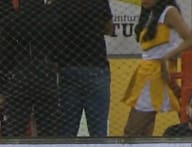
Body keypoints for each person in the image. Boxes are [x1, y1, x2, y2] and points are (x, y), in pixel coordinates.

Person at [121, 0, 192, 136]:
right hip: (145, 73)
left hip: (158, 74)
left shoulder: (169, 12)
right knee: (144, 130)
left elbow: (189, 39)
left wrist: (167, 57)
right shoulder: (150, 14)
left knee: (132, 130)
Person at [0, 0, 61, 137]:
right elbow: (58, 51)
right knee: (48, 131)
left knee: (15, 129)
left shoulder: (10, 20)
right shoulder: (52, 19)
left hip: (20, 76)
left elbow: (5, 58)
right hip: (45, 75)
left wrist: (2, 90)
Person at [54, 0, 114, 137]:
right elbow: (109, 29)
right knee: (98, 131)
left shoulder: (60, 4)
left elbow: (53, 31)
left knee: (67, 131)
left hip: (68, 67)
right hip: (95, 65)